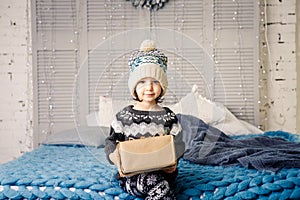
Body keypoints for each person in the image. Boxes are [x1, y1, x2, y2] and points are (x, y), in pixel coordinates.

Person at [105, 39, 185, 200]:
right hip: (131, 176)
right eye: (142, 82)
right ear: (134, 87)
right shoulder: (123, 117)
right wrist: (116, 158)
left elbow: (179, 142)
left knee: (161, 184)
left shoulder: (168, 116)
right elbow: (111, 143)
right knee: (160, 188)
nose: (149, 87)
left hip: (163, 173)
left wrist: (174, 159)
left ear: (162, 86)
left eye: (155, 82)